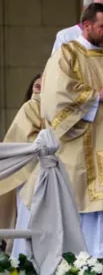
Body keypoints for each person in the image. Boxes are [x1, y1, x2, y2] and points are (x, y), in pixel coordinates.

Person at [40, 2, 103, 256]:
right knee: (86, 212)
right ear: (86, 26)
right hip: (81, 148)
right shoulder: (67, 54)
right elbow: (57, 97)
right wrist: (98, 96)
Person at [0, 75, 44, 257]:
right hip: (28, 176)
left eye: (44, 85)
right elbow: (25, 141)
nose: (39, 89)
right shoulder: (29, 108)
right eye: (37, 85)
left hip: (54, 174)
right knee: (27, 223)